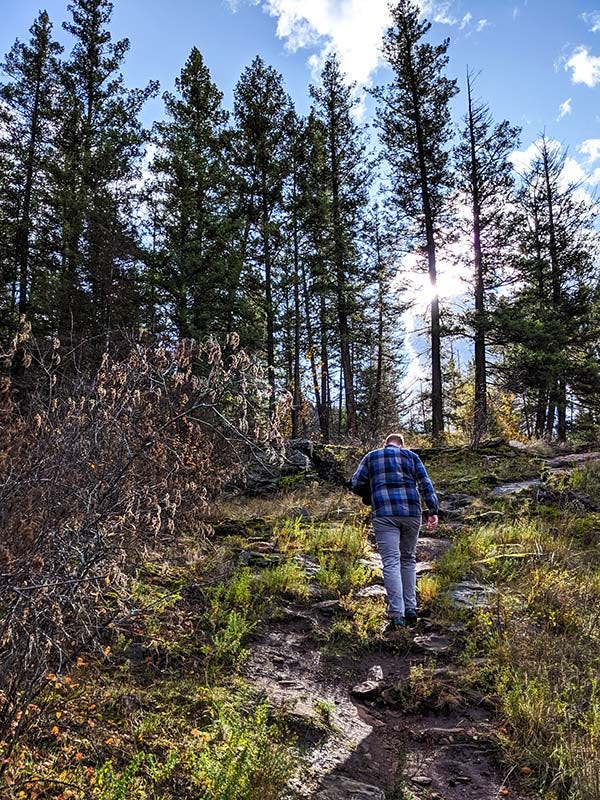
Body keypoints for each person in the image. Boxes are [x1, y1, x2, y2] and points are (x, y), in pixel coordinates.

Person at [351, 433, 439, 630]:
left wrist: (370, 493)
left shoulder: (372, 457)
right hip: (411, 513)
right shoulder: (412, 457)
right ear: (401, 445)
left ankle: (397, 614)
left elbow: (356, 484)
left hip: (384, 513)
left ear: (386, 444)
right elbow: (425, 484)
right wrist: (432, 510)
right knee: (408, 559)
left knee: (391, 561)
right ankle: (411, 608)